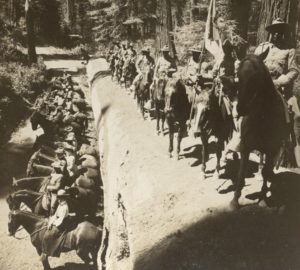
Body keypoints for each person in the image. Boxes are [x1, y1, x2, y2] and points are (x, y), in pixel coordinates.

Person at [42, 189, 69, 257]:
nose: (58, 199)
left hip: (62, 223)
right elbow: (55, 215)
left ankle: (53, 249)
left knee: (52, 232)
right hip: (58, 220)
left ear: (63, 198)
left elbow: (61, 219)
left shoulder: (65, 207)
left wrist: (52, 223)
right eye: (58, 197)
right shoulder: (60, 205)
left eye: (60, 197)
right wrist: (50, 221)